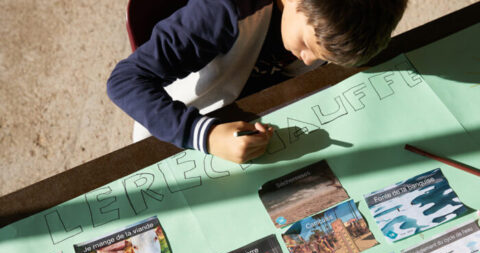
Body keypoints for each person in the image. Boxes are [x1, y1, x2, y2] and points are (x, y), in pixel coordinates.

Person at [107, 0, 408, 164]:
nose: (308, 61)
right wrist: (207, 136)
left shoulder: (336, 16)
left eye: (321, 57)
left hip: (264, 110)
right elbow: (125, 81)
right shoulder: (222, 11)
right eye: (307, 45)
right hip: (182, 125)